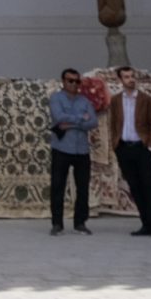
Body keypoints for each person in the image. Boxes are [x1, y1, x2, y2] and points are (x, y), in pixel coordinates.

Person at [104, 65, 151, 239]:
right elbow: (113, 123)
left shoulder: (146, 99)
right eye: (127, 77)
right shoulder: (115, 101)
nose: (131, 79)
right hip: (124, 148)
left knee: (148, 186)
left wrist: (150, 145)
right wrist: (116, 145)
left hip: (141, 148)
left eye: (132, 76)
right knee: (135, 188)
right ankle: (145, 223)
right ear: (120, 80)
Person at [46, 68, 98, 236]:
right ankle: (57, 223)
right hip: (61, 148)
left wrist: (71, 123)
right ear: (63, 81)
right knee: (58, 187)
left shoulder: (85, 101)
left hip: (81, 149)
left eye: (77, 81)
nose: (74, 84)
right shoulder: (56, 98)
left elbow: (93, 122)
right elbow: (59, 117)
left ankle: (80, 222)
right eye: (70, 81)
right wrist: (81, 119)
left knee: (83, 188)